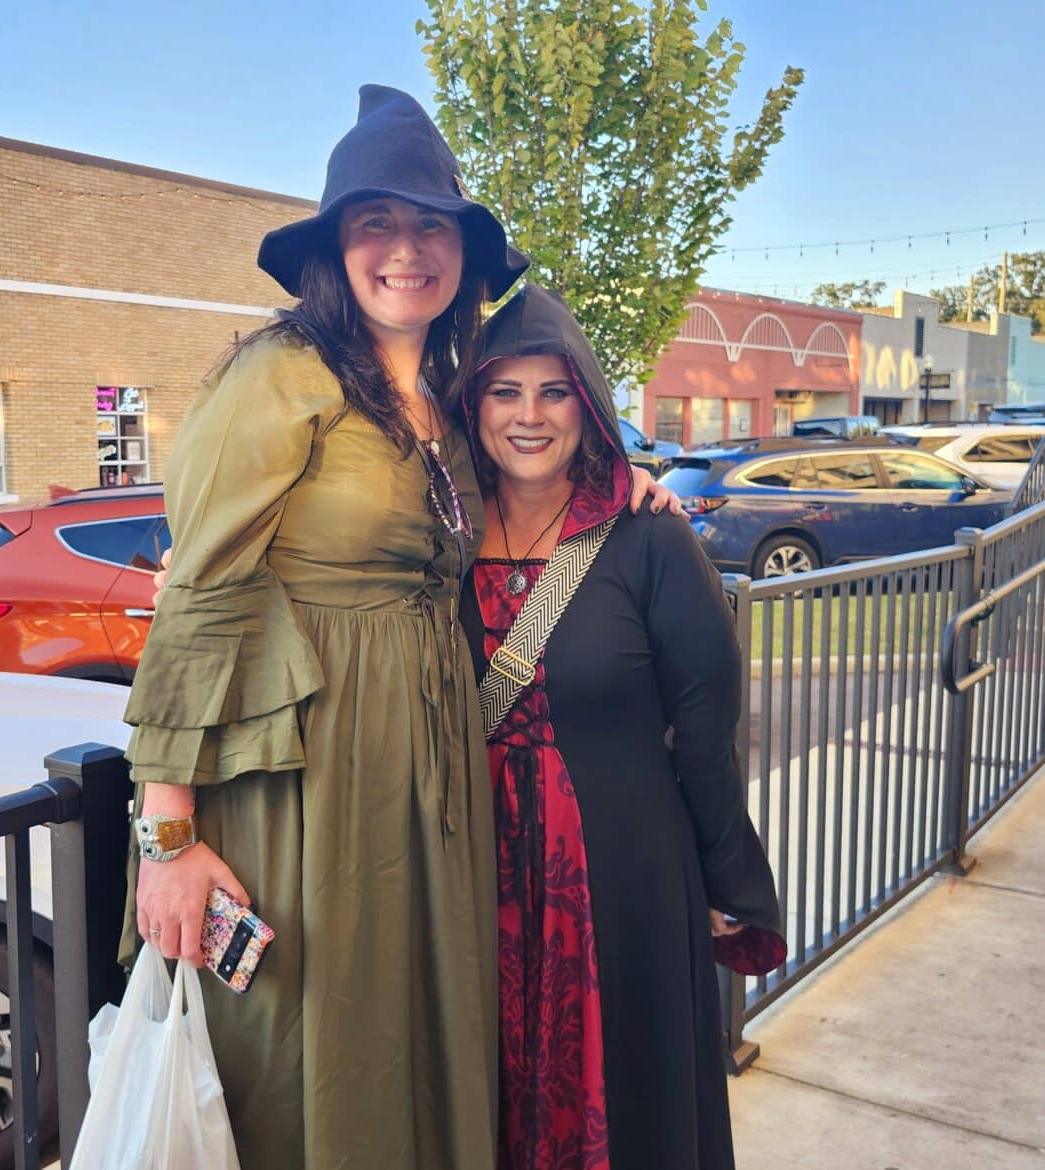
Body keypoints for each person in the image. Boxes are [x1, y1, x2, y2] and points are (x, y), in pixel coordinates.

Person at [123, 88, 676, 1170]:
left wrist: (621, 482)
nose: (407, 250)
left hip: (431, 777)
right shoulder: (279, 374)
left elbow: (517, 489)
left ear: (464, 255)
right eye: (377, 222)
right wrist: (169, 837)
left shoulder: (445, 393)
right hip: (308, 779)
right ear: (337, 246)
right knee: (311, 1051)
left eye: (433, 226)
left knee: (416, 1043)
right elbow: (199, 598)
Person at [454, 286, 787, 1170]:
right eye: (504, 392)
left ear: (589, 405)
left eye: (554, 392)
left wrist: (724, 876)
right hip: (468, 874)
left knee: (624, 1098)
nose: (529, 416)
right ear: (473, 407)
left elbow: (707, 731)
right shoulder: (438, 536)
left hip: (620, 882)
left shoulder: (647, 538)